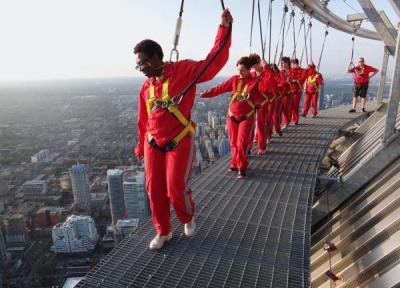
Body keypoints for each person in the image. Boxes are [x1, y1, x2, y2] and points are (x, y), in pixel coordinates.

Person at [133, 9, 233, 250]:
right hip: (152, 142)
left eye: (145, 62)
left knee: (175, 187)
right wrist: (140, 145)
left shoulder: (183, 71)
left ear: (158, 57)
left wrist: (224, 29)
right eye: (139, 65)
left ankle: (187, 217)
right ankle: (163, 231)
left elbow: (214, 61)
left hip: (178, 139)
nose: (143, 68)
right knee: (153, 189)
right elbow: (143, 119)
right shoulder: (147, 88)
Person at [200, 56, 261, 179]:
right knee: (233, 143)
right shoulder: (234, 80)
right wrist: (206, 94)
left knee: (241, 143)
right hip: (232, 115)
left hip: (246, 116)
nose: (240, 73)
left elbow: (263, 93)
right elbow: (220, 88)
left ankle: (242, 167)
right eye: (238, 70)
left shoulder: (255, 82)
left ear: (249, 70)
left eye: (243, 70)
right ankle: (234, 162)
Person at [249, 54, 275, 155]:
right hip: (251, 102)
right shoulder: (251, 74)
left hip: (262, 102)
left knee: (260, 124)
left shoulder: (267, 73)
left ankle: (262, 146)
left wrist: (266, 67)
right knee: (250, 125)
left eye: (255, 64)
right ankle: (248, 146)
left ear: (259, 62)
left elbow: (269, 84)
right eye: (252, 65)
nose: (254, 67)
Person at [289, 58, 309, 124]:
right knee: (289, 106)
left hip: (297, 91)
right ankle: (289, 119)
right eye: (292, 64)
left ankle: (295, 120)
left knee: (295, 105)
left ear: (297, 64)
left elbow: (304, 76)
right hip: (290, 91)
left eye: (294, 64)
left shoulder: (302, 70)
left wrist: (308, 68)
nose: (293, 65)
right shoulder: (290, 70)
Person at [280, 57, 293, 128]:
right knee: (281, 108)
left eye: (284, 63)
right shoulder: (281, 72)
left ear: (287, 63)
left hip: (288, 92)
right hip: (281, 92)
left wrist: (285, 81)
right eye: (282, 63)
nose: (282, 64)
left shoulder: (291, 71)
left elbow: (289, 81)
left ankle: (286, 122)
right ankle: (285, 121)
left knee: (285, 108)